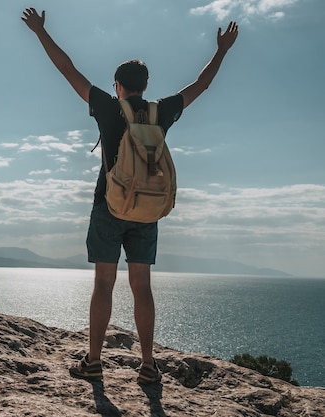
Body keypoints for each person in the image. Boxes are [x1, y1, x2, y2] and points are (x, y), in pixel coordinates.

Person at [22, 7, 238, 384]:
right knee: (142, 286)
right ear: (146, 85)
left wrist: (40, 31)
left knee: (103, 283)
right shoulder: (161, 113)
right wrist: (222, 50)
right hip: (147, 211)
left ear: (117, 85)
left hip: (109, 204)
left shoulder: (107, 106)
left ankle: (93, 362)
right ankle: (149, 365)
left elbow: (68, 69)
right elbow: (200, 85)